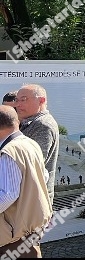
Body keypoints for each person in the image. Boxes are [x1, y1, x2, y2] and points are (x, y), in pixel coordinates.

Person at [0, 105, 53, 259]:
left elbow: (8, 195)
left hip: (13, 237)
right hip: (27, 232)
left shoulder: (9, 151)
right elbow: (44, 176)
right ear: (17, 122)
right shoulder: (30, 143)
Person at [15, 84, 59, 202]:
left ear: (42, 100)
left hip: (33, 202)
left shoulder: (43, 125)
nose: (18, 104)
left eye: (23, 100)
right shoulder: (29, 122)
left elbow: (33, 164)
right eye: (17, 100)